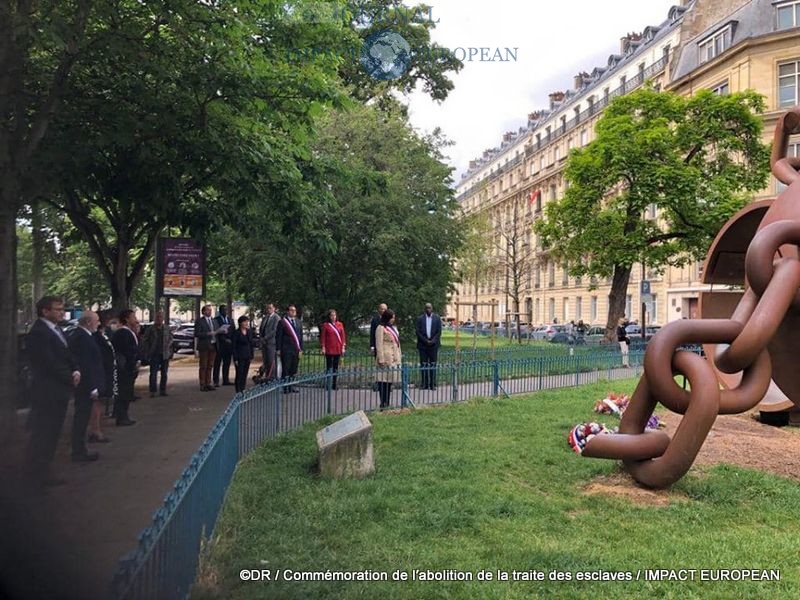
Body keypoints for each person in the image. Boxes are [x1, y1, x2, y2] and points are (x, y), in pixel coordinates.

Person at [25, 296, 80, 486]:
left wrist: (75, 369)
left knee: (53, 432)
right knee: (44, 433)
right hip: (47, 392)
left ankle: (43, 470)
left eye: (62, 309)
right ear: (45, 311)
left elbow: (66, 355)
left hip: (59, 390)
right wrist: (69, 376)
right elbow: (48, 362)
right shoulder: (39, 333)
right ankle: (37, 474)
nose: (62, 312)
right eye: (57, 309)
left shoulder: (57, 330)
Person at [67, 312, 103, 462]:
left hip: (85, 384)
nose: (99, 323)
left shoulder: (84, 336)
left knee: (83, 417)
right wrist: (92, 387)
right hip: (85, 385)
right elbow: (86, 365)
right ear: (88, 322)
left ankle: (80, 449)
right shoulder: (82, 338)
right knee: (81, 418)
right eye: (97, 320)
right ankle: (78, 451)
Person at [90, 311, 117, 442]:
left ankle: (98, 429)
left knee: (100, 402)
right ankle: (95, 431)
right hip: (99, 373)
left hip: (106, 371)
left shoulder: (105, 334)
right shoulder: (95, 336)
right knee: (96, 403)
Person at [112, 309, 139, 426]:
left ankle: (124, 415)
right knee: (123, 391)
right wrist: (133, 361)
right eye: (133, 317)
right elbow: (126, 350)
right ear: (127, 319)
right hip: (124, 368)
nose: (135, 319)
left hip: (129, 367)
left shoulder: (130, 332)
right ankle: (121, 416)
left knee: (127, 391)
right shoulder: (123, 333)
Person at [140, 310, 174, 397]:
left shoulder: (166, 328)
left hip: (164, 353)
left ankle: (163, 390)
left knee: (164, 373)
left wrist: (168, 345)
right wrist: (147, 351)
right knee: (153, 373)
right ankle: (152, 391)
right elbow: (145, 340)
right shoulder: (150, 329)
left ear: (163, 319)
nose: (159, 319)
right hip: (154, 354)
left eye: (161, 317)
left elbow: (171, 338)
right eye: (157, 317)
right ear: (155, 318)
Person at [375, 309, 401, 410]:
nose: (393, 320)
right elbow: (379, 344)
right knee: (383, 381)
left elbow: (397, 342)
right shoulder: (380, 328)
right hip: (385, 357)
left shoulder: (393, 328)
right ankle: (383, 403)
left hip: (393, 357)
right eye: (392, 317)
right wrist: (380, 358)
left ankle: (387, 403)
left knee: (389, 381)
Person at [276, 304, 303, 393]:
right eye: (291, 310)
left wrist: (301, 349)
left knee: (293, 369)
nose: (293, 312)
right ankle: (285, 387)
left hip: (296, 349)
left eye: (294, 310)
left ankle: (291, 386)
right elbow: (279, 337)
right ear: (287, 311)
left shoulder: (298, 322)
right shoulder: (283, 322)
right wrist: (278, 349)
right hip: (286, 349)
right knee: (286, 369)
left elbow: (300, 337)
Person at [416, 303, 442, 390]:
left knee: (433, 364)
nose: (428, 310)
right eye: (426, 308)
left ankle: (433, 384)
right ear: (424, 309)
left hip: (433, 345)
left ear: (432, 308)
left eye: (429, 308)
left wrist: (433, 341)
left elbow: (439, 332)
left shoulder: (437, 318)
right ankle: (424, 384)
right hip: (423, 345)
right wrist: (425, 340)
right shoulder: (420, 319)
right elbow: (418, 332)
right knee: (423, 365)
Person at [320, 308, 346, 390]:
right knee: (329, 367)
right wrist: (323, 347)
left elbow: (343, 336)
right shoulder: (326, 325)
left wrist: (343, 347)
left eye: (334, 315)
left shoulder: (340, 324)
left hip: (337, 348)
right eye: (332, 315)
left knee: (335, 368)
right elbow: (323, 337)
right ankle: (328, 384)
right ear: (329, 316)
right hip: (329, 348)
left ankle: (334, 384)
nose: (333, 317)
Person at [194, 305, 219, 391]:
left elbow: (217, 330)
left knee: (210, 365)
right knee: (203, 365)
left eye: (210, 310)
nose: (210, 312)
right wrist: (208, 334)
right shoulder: (200, 321)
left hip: (213, 345)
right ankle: (202, 384)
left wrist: (221, 331)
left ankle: (208, 383)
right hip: (204, 346)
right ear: (203, 312)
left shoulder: (214, 320)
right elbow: (197, 333)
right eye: (208, 310)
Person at [231, 316, 254, 393]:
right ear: (240, 323)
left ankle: (243, 389)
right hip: (239, 355)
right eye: (245, 322)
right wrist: (235, 358)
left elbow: (251, 344)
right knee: (239, 373)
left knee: (245, 373)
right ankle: (238, 390)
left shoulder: (249, 331)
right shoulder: (236, 333)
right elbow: (233, 346)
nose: (246, 323)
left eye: (247, 321)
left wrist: (251, 355)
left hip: (247, 355)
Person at [258, 302, 280, 381]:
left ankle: (273, 378)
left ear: (274, 308)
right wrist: (261, 337)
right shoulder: (265, 317)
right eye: (267, 308)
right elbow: (261, 328)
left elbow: (274, 330)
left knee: (271, 361)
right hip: (264, 342)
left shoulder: (276, 318)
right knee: (266, 361)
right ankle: (267, 377)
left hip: (271, 342)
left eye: (270, 308)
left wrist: (266, 338)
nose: (268, 309)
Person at [213, 305, 234, 387]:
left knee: (227, 363)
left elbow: (233, 330)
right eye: (224, 310)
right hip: (220, 344)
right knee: (217, 363)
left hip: (229, 345)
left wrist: (232, 340)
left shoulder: (230, 320)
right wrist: (224, 339)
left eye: (227, 310)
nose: (226, 311)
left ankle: (226, 380)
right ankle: (216, 381)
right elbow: (215, 331)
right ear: (220, 311)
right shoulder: (216, 320)